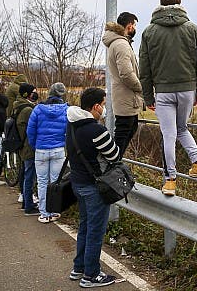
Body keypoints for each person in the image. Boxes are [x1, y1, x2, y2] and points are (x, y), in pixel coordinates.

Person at [139, 0, 197, 196]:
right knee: (182, 128)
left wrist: (148, 97)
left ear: (160, 6)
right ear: (180, 5)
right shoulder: (192, 28)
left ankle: (170, 180)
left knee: (169, 134)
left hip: (163, 91)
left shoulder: (149, 31)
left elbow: (145, 69)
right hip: (188, 88)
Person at [66, 87, 120, 287]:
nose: (104, 109)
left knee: (85, 227)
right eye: (104, 105)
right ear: (96, 106)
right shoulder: (96, 129)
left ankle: (78, 268)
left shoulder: (71, 125)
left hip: (77, 183)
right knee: (95, 232)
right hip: (94, 187)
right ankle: (91, 275)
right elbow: (115, 156)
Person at [102, 12, 144, 158]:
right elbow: (126, 74)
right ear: (130, 25)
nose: (135, 29)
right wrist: (141, 87)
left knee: (129, 129)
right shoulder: (121, 44)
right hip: (126, 98)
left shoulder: (118, 43)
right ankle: (112, 168)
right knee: (122, 135)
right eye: (134, 25)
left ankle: (113, 165)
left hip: (124, 98)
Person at [26, 82, 68, 223]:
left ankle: (45, 213)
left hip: (41, 150)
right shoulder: (66, 110)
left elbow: (30, 131)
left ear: (49, 93)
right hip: (58, 150)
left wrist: (36, 145)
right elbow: (68, 132)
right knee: (55, 182)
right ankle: (55, 211)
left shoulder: (38, 109)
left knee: (42, 182)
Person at [13, 83, 39, 216]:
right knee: (30, 176)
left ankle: (26, 202)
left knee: (25, 174)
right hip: (29, 147)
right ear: (27, 94)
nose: (36, 93)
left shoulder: (17, 107)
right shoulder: (28, 110)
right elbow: (33, 129)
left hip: (22, 146)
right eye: (34, 92)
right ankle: (28, 205)